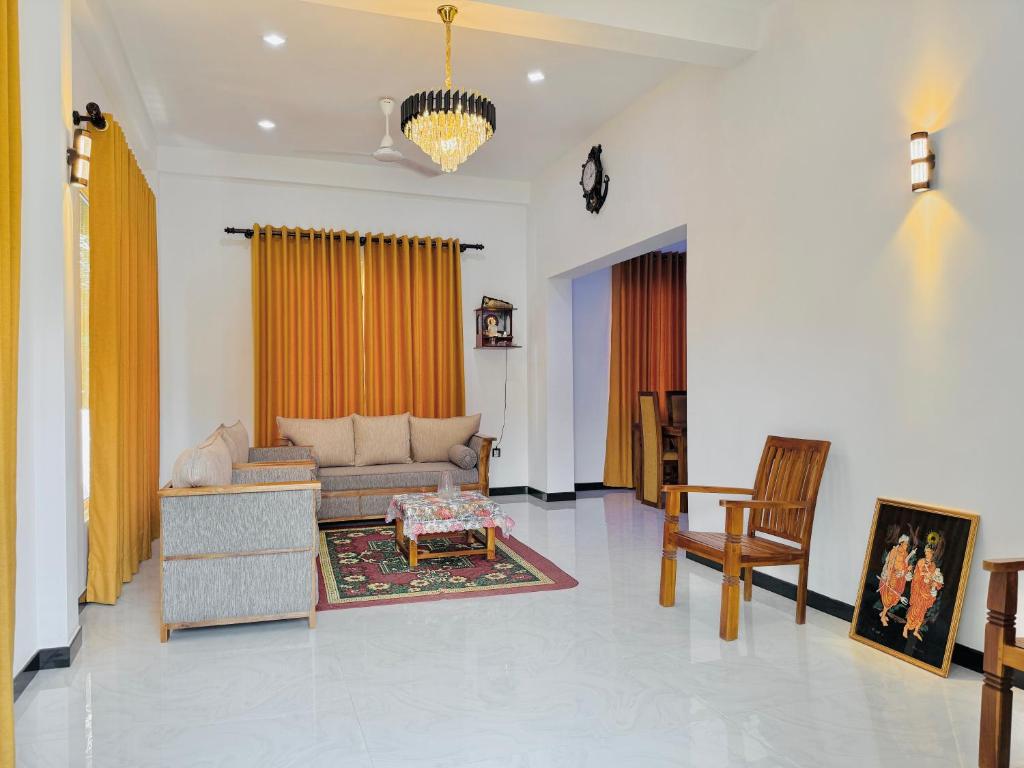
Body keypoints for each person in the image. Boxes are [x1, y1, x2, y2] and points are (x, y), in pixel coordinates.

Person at [904, 542, 943, 641]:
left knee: (922, 612)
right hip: (919, 589)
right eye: (926, 551)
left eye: (929, 552)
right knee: (915, 610)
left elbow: (933, 577)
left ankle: (916, 630)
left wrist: (932, 579)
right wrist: (923, 573)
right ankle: (906, 627)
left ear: (932, 553)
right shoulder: (921, 561)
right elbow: (917, 574)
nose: (927, 553)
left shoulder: (933, 565)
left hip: (926, 591)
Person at [878, 535, 913, 626]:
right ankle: (883, 617)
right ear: (901, 543)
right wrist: (888, 576)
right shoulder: (894, 551)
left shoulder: (905, 553)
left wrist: (907, 568)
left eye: (907, 544)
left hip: (899, 579)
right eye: (906, 543)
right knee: (889, 597)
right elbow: (890, 564)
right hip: (892, 577)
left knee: (894, 597)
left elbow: (904, 564)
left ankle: (883, 613)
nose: (907, 545)